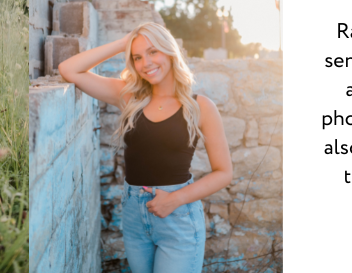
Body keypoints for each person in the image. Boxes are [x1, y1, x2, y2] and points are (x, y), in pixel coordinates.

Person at [59, 22, 232, 273]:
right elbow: (68, 69)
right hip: (134, 213)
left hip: (178, 217)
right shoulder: (130, 97)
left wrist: (174, 200)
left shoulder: (200, 107)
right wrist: (123, 43)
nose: (146, 63)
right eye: (137, 57)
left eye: (153, 52)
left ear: (169, 52)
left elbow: (224, 172)